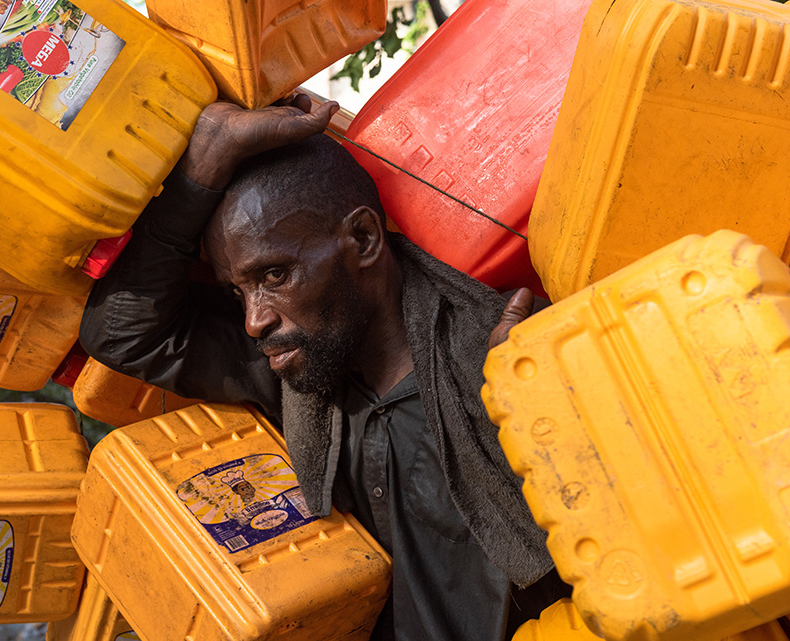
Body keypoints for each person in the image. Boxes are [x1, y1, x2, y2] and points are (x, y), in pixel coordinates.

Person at [80, 95, 569, 640]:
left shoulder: (508, 352)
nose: (253, 320)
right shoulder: (294, 376)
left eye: (273, 275)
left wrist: (516, 408)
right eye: (236, 291)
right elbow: (119, 334)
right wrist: (203, 167)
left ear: (362, 239)